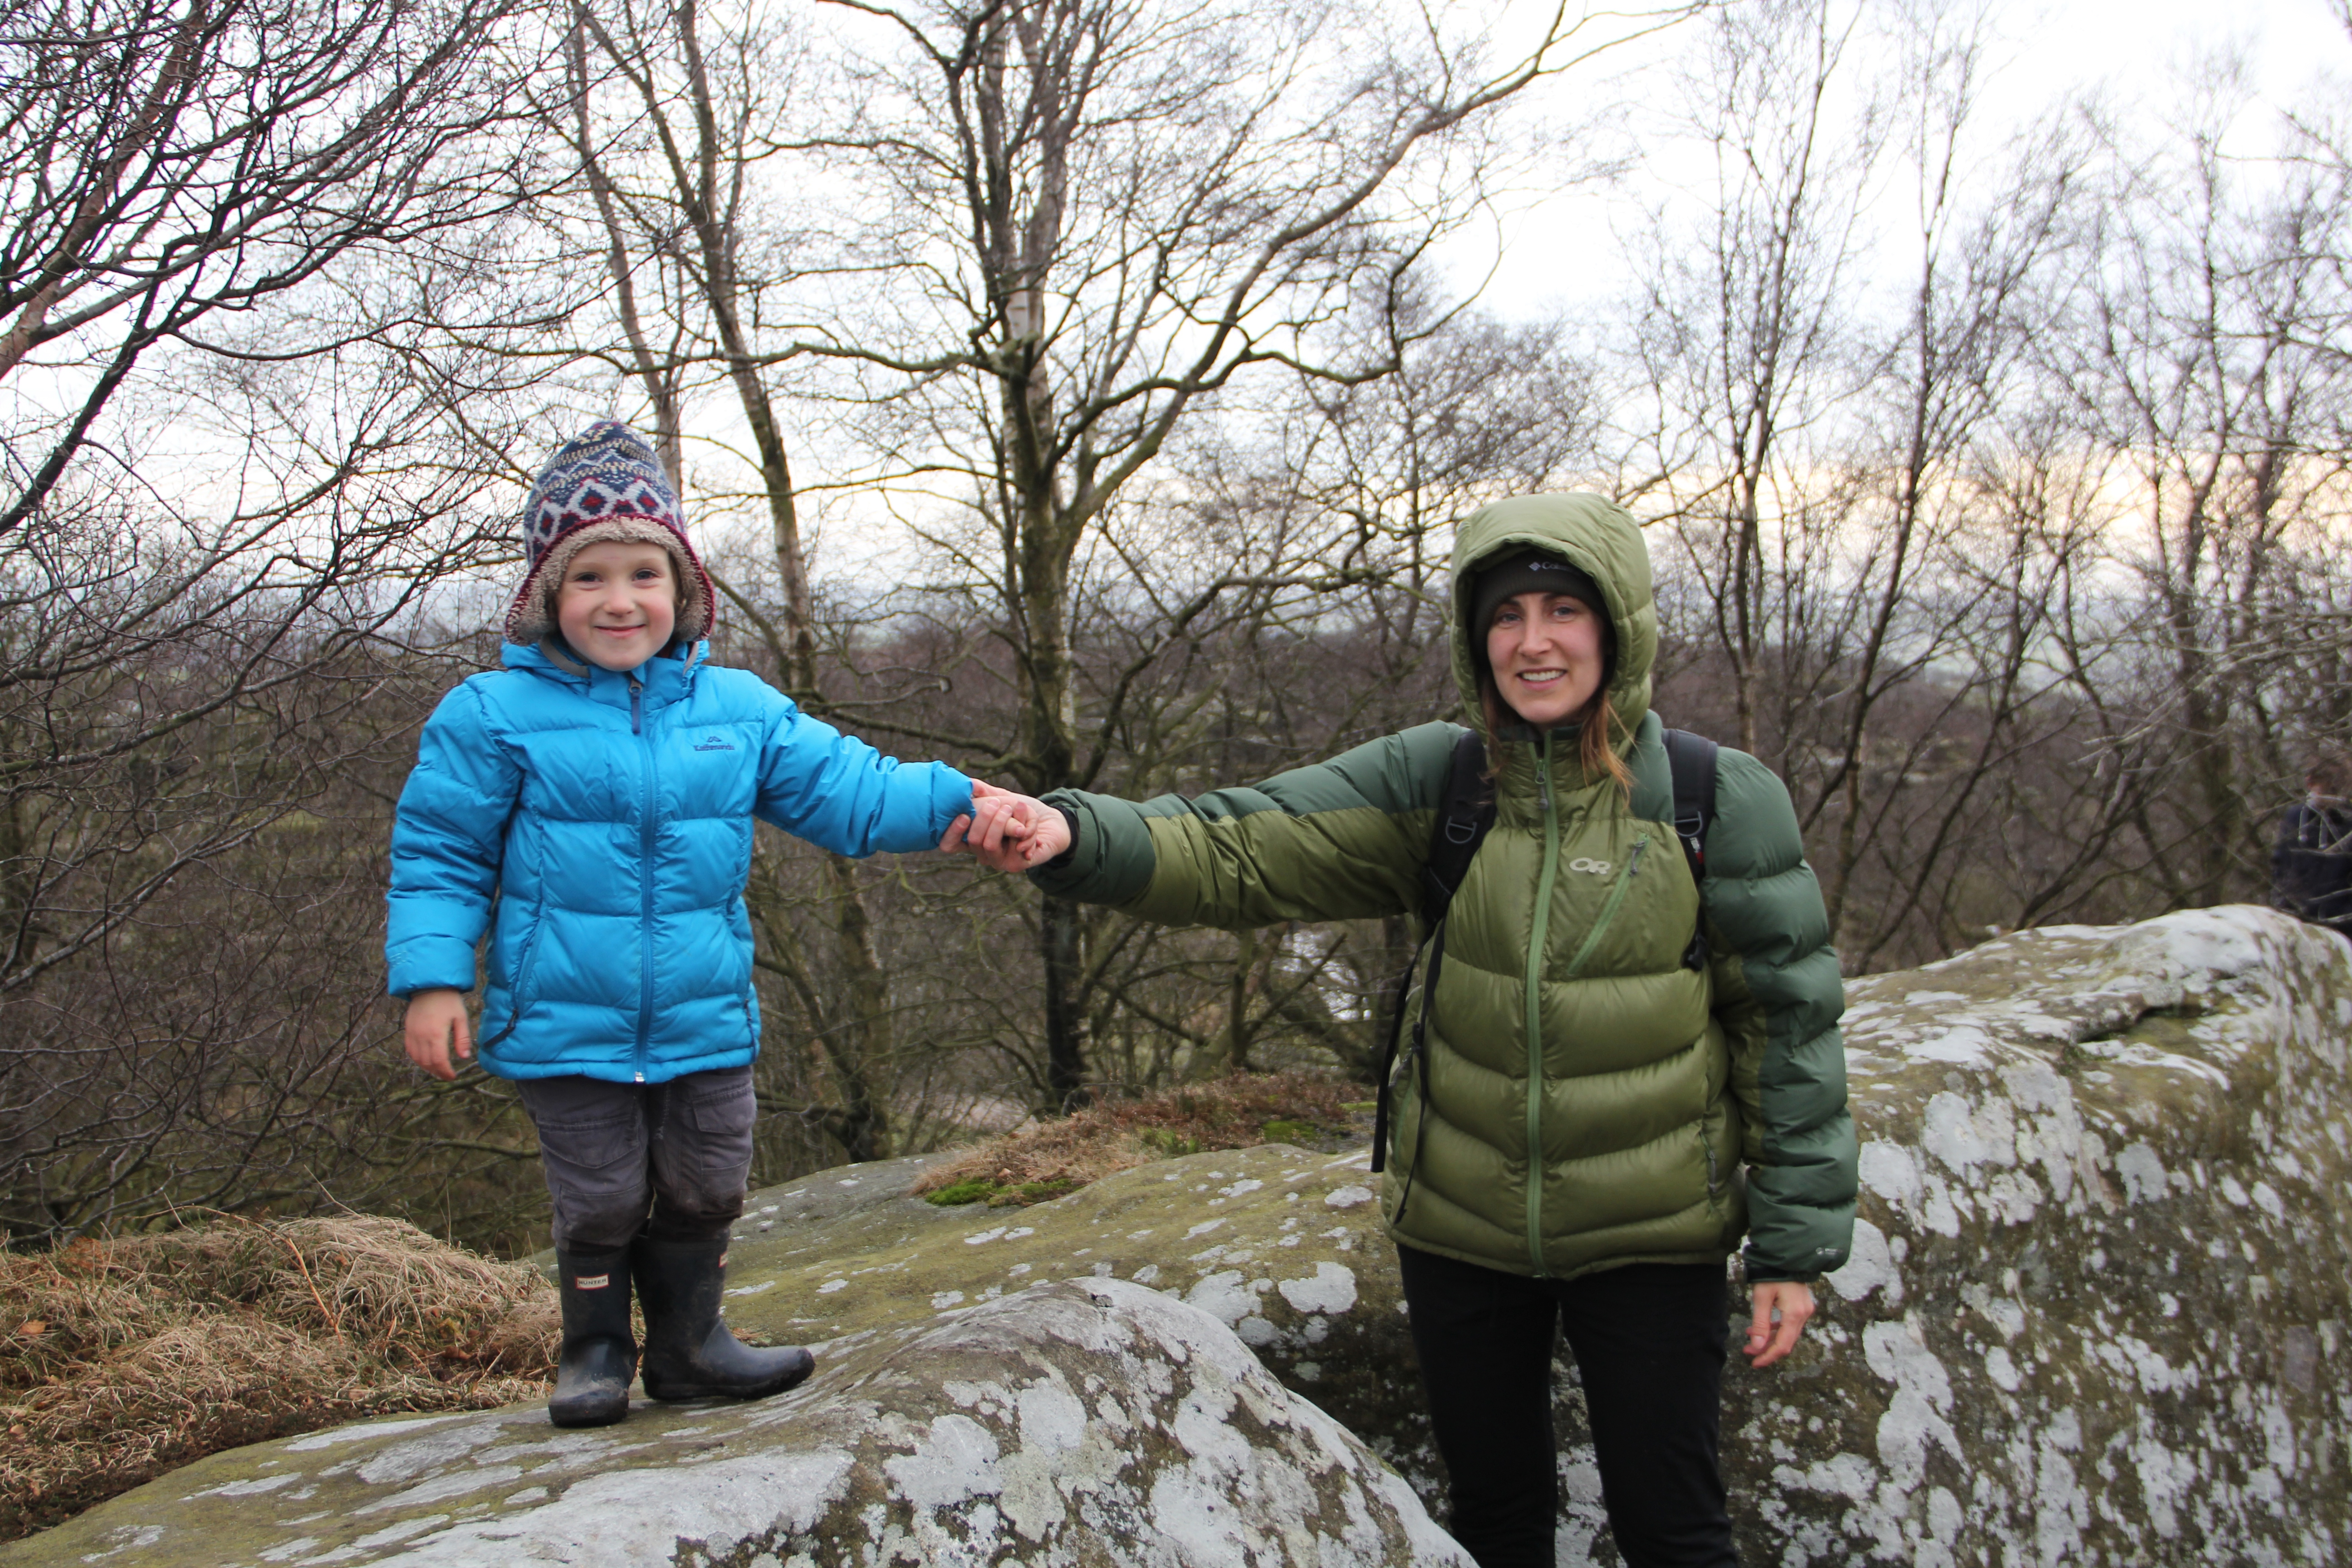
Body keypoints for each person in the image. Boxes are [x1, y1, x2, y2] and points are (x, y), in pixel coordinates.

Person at [951, 493, 1857, 1568]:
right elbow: (1241, 845)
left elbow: (1787, 1025)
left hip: (1653, 1236)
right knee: (1496, 1521)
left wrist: (1791, 1248)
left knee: (1675, 1529)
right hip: (1460, 1232)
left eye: (1563, 609)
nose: (1532, 641)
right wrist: (1073, 833)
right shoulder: (1445, 780)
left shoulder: (1711, 798)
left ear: (1618, 626)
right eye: (1506, 614)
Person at [387, 422, 1004, 1429]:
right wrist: (432, 979)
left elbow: (849, 789)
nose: (620, 600)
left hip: (705, 1014)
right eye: (589, 577)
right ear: (546, 594)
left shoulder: (737, 709)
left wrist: (965, 804)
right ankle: (594, 1353)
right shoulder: (491, 714)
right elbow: (439, 853)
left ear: (684, 588)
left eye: (645, 573)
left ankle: (689, 1348)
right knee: (599, 1197)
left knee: (708, 1185)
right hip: (564, 1022)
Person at [2272, 750, 2352, 934]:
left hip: (2342, 924)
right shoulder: (2296, 817)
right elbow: (2282, 863)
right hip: (2296, 921)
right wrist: (2285, 904)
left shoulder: (2348, 822)